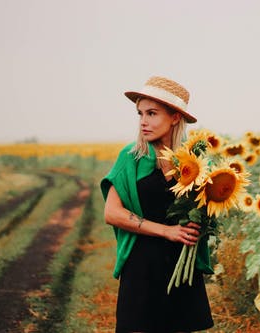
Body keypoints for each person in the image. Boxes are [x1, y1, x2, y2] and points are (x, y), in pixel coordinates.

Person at [101, 76, 214, 333]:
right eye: (140, 113)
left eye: (152, 113)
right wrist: (166, 231)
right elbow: (112, 213)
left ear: (175, 117)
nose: (143, 121)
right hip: (142, 265)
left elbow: (205, 206)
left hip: (181, 266)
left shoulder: (193, 160)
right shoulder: (132, 157)